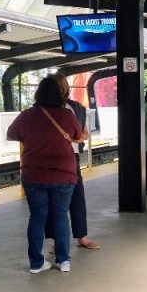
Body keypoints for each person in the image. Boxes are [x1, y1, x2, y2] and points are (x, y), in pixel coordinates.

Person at [6, 76, 82, 274]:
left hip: (34, 176)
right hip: (63, 175)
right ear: (61, 94)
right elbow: (77, 136)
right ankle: (63, 260)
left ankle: (36, 263)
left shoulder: (27, 115)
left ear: (38, 93)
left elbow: (11, 134)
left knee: (37, 217)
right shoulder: (67, 115)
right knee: (60, 216)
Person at [45, 73, 99, 251]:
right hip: (55, 157)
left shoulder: (76, 108)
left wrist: (76, 139)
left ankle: (79, 235)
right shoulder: (42, 109)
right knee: (57, 198)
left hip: (68, 157)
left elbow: (84, 133)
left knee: (74, 196)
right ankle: (61, 238)